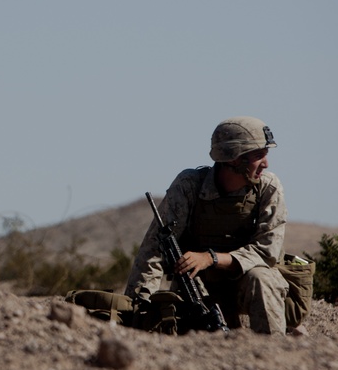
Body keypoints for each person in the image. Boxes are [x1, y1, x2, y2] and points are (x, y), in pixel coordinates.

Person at [124, 116, 289, 334]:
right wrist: (137, 310)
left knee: (263, 278)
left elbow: (267, 252)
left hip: (248, 284)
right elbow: (154, 250)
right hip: (199, 287)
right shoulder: (189, 186)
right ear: (233, 158)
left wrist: (210, 258)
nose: (266, 163)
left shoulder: (268, 188)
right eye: (258, 156)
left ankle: (272, 356)